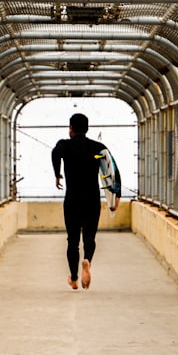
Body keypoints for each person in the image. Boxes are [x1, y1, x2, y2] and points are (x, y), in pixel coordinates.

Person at [51, 112, 121, 290]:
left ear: (71, 128)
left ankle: (74, 278)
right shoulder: (97, 147)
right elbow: (113, 170)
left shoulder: (64, 145)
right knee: (89, 237)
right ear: (87, 129)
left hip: (73, 199)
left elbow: (55, 153)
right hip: (91, 198)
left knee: (72, 241)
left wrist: (57, 174)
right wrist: (116, 197)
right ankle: (87, 260)